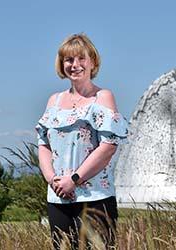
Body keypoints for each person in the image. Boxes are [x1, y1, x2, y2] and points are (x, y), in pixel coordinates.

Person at [35, 33, 128, 249]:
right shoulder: (54, 101)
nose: (75, 65)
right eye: (69, 60)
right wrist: (52, 180)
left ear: (92, 62)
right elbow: (43, 144)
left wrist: (74, 180)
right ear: (62, 64)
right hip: (58, 199)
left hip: (94, 198)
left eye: (81, 59)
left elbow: (107, 148)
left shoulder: (102, 97)